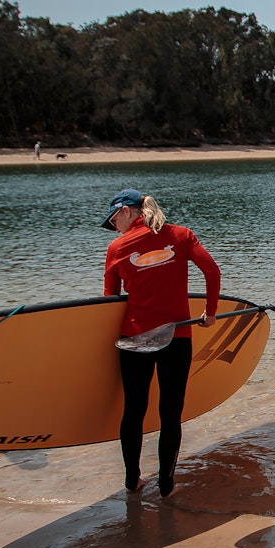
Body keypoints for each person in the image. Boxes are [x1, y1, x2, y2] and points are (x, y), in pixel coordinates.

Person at [102, 188, 221, 497]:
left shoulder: (116, 248)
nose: (115, 227)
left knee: (134, 410)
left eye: (114, 219)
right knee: (171, 413)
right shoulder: (181, 236)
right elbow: (212, 270)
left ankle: (132, 481)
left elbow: (109, 302)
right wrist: (210, 312)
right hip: (177, 336)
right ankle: (167, 484)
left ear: (127, 212)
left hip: (134, 339)